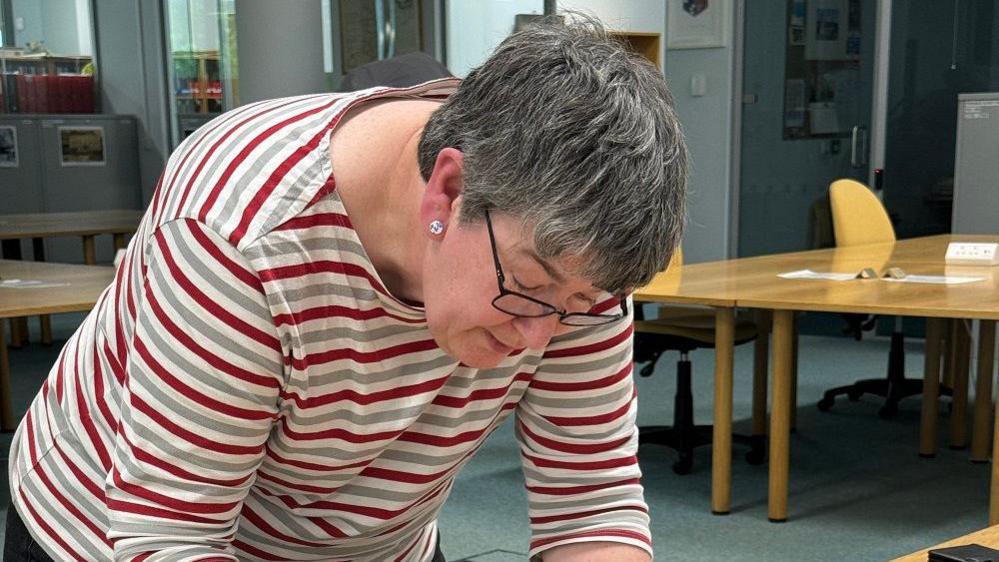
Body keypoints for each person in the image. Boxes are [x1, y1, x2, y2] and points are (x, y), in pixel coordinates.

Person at [5, 14, 686, 562]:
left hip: (371, 539)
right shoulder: (238, 230)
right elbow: (172, 535)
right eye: (531, 292)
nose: (537, 339)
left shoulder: (572, 266)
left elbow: (590, 504)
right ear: (448, 190)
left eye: (576, 307)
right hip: (106, 524)